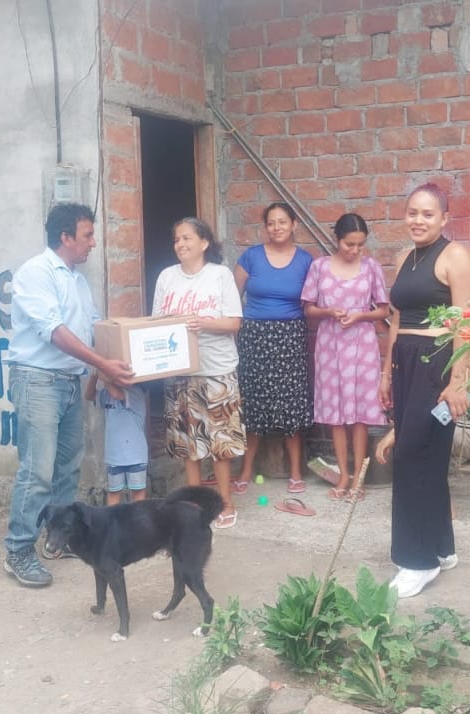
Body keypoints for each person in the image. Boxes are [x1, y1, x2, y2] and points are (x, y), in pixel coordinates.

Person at [3, 202, 134, 588]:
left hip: (68, 382)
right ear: (65, 237)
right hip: (37, 381)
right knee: (37, 471)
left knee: (67, 468)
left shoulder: (77, 280)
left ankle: (57, 540)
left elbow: (92, 329)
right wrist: (104, 365)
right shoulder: (36, 273)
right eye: (87, 235)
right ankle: (18, 550)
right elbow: (56, 332)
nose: (93, 243)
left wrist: (110, 367)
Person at [374, 182, 470, 599]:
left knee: (413, 456)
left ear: (444, 218)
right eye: (412, 212)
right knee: (425, 456)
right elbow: (396, 320)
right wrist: (386, 374)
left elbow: (467, 322)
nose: (418, 220)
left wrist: (458, 382)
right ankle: (441, 548)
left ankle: (417, 561)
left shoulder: (455, 256)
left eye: (427, 214)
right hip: (405, 363)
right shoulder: (404, 258)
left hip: (437, 364)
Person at [153, 217, 245, 530]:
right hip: (180, 371)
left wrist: (202, 323)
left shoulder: (219, 275)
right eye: (176, 239)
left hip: (216, 369)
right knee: (188, 442)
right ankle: (194, 505)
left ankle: (225, 502)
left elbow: (234, 323)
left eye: (186, 238)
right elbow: (156, 322)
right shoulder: (167, 277)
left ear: (204, 243)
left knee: (221, 442)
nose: (180, 244)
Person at [300, 213, 390, 501]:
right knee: (335, 415)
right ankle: (342, 475)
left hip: (362, 346)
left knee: (360, 415)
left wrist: (360, 315)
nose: (354, 250)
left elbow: (383, 310)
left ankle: (358, 480)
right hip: (330, 346)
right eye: (349, 244)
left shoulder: (371, 267)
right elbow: (308, 309)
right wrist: (329, 311)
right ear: (336, 239)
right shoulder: (319, 267)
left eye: (360, 245)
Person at [233, 202, 314, 495]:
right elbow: (232, 298)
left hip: (290, 336)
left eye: (282, 222)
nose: (276, 227)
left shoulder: (305, 261)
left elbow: (312, 300)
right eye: (271, 223)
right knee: (254, 401)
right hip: (254, 336)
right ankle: (246, 469)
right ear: (265, 227)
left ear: (294, 224)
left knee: (291, 402)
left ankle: (295, 471)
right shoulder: (251, 257)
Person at [85, 372, 149, 506]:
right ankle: (112, 519)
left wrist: (103, 372)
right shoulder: (106, 394)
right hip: (114, 456)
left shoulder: (136, 392)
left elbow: (117, 395)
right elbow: (89, 396)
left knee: (138, 495)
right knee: (113, 493)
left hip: (136, 456)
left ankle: (138, 520)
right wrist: (94, 375)